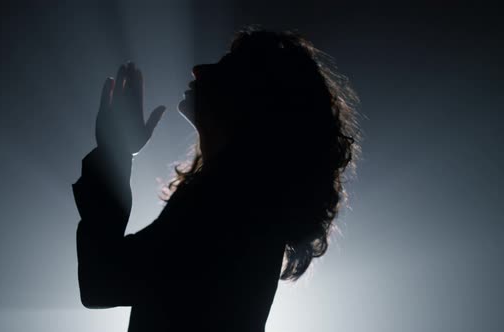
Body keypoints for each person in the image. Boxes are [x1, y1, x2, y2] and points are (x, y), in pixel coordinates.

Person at [72, 26, 360, 332]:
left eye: (226, 68)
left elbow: (103, 282)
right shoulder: (248, 198)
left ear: (254, 98)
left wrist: (113, 152)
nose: (198, 70)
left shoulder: (228, 197)